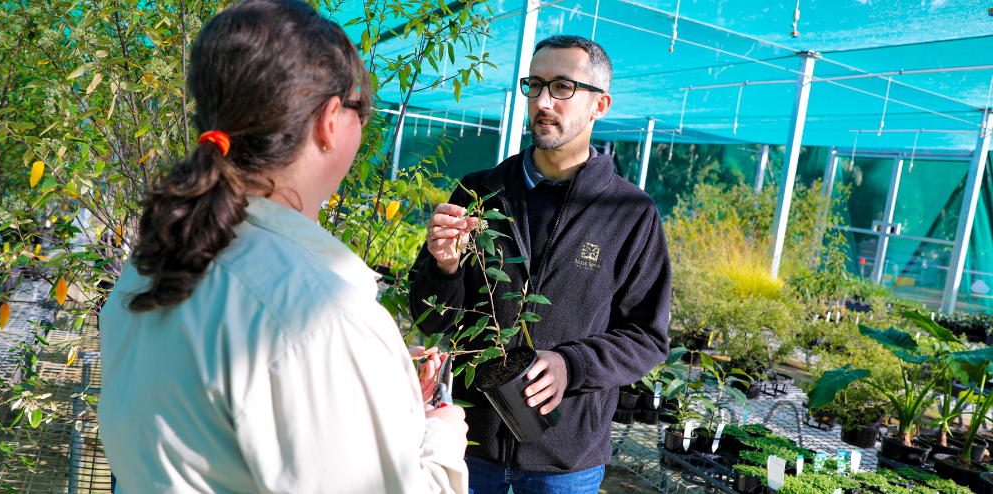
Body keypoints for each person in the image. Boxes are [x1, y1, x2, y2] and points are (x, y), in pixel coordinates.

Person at [97, 1, 468, 492]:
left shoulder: (153, 265)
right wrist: (439, 441)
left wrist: (385, 399)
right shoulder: (319, 315)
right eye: (363, 110)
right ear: (329, 121)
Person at [409, 35, 672, 493]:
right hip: (470, 445)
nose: (543, 101)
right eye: (534, 85)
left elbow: (647, 336)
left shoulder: (630, 214)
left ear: (599, 105)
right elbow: (434, 320)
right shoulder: (480, 192)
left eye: (563, 87)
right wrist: (443, 266)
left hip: (565, 462)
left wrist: (572, 365)